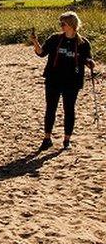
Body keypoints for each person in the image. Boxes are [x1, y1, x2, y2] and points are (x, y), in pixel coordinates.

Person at [30, 11, 96, 151]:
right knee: (50, 109)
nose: (61, 26)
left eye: (63, 24)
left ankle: (67, 140)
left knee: (69, 110)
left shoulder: (83, 43)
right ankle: (47, 138)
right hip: (53, 79)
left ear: (71, 25)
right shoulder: (55, 39)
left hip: (73, 81)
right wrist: (35, 42)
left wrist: (90, 63)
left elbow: (87, 59)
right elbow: (41, 53)